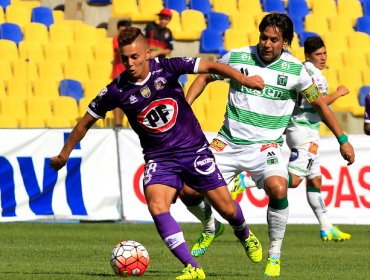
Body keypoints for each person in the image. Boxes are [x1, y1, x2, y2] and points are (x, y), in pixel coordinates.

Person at [49, 27, 265, 280]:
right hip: (159, 159)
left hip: (192, 150)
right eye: (125, 58)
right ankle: (192, 268)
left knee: (227, 209)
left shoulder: (168, 67)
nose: (129, 63)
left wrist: (245, 79)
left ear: (147, 54)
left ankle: (245, 235)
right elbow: (85, 121)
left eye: (135, 57)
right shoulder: (116, 90)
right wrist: (64, 154)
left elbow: (212, 67)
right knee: (156, 205)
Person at [180, 13, 355, 277]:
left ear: (285, 42)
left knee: (279, 187)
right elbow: (205, 74)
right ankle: (210, 227)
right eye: (264, 37)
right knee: (188, 190)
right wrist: (185, 106)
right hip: (226, 142)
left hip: (265, 148)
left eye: (274, 39)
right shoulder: (238, 57)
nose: (267, 43)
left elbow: (319, 104)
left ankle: (274, 257)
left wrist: (343, 139)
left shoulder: (296, 70)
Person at [232, 36, 352, 242]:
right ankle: (247, 180)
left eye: (324, 53)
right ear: (308, 56)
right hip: (305, 133)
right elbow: (319, 103)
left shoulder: (300, 69)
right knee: (295, 180)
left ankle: (326, 226)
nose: (323, 58)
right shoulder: (312, 74)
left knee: (315, 180)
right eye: (318, 55)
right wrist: (339, 93)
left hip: (303, 129)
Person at [112, 19, 132, 127]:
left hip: (129, 72)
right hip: (118, 73)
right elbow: (121, 51)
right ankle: (118, 123)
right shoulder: (116, 39)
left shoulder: (132, 41)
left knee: (129, 99)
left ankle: (127, 125)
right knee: (118, 99)